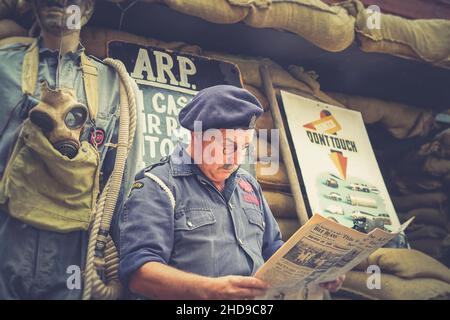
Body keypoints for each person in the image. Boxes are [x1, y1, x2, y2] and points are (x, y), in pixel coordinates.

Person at [113, 85, 344, 300]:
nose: (236, 160)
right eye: (226, 147)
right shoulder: (158, 185)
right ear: (195, 136)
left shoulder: (248, 184)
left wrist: (315, 269)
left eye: (244, 147)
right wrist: (211, 290)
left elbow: (271, 248)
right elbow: (139, 275)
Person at [0, 0, 142, 299]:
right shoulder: (4, 68)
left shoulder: (115, 86)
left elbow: (122, 184)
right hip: (7, 237)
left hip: (74, 253)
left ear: (88, 8)